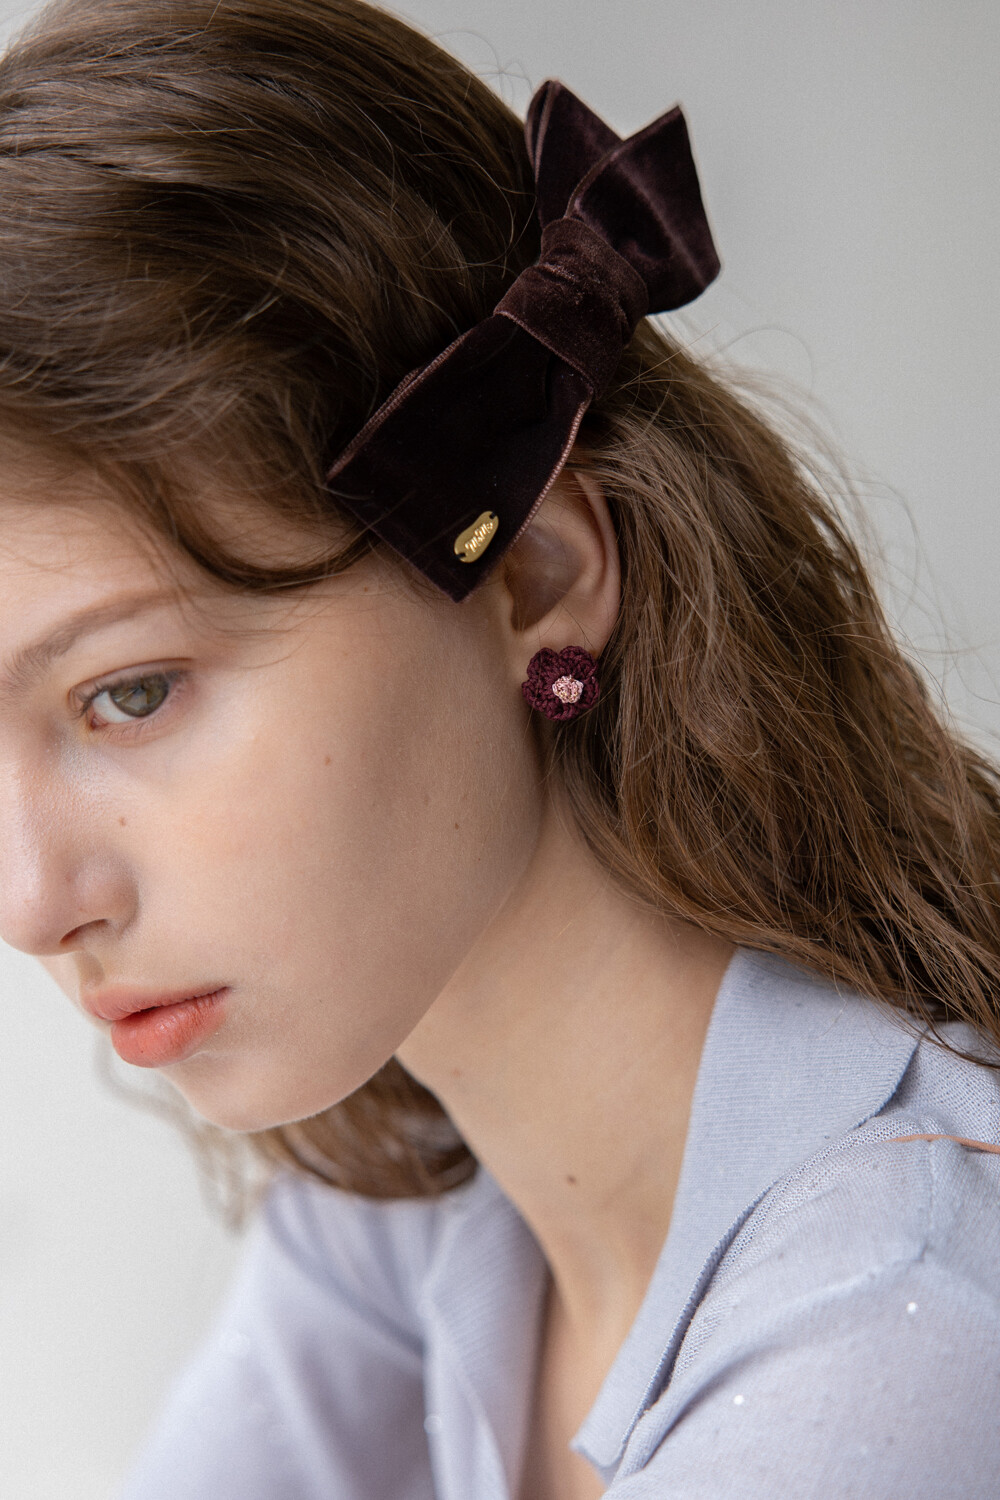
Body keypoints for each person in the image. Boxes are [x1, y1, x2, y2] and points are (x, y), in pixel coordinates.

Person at [0, 1, 997, 1496]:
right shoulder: (419, 1191)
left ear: (529, 569)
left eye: (131, 694)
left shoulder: (898, 1333)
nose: (29, 903)